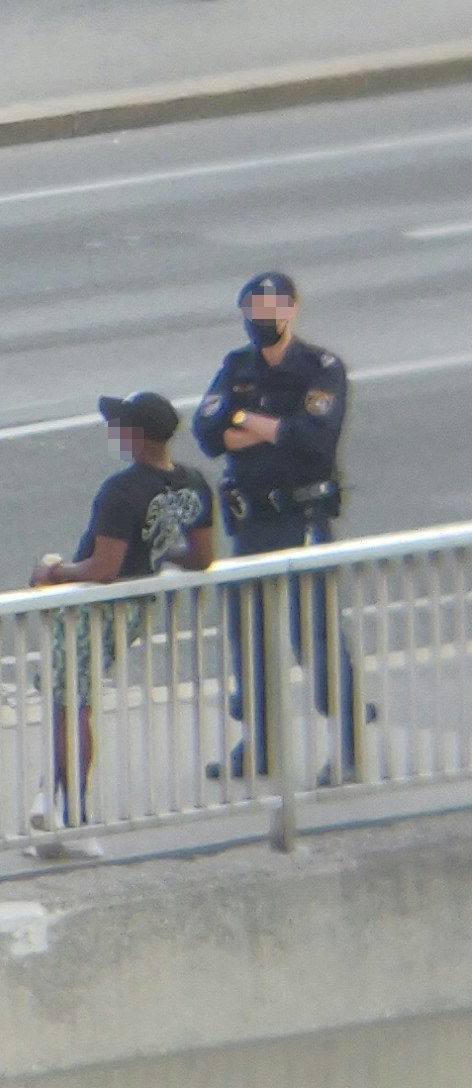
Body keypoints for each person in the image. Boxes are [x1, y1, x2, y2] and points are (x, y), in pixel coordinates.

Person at [192, 272, 369, 786]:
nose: (259, 320)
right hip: (253, 522)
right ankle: (261, 743)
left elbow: (312, 441)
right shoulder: (237, 366)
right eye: (251, 310)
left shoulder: (320, 368)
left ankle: (349, 747)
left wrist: (245, 422)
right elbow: (209, 433)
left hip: (302, 517)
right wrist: (268, 425)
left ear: (290, 311)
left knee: (313, 633)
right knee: (249, 634)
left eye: (269, 310)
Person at [28, 393, 216, 860]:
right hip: (137, 603)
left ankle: (72, 815)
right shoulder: (192, 484)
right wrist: (159, 555)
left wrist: (53, 573)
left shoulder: (121, 490)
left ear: (134, 435)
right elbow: (202, 556)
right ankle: (51, 801)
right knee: (72, 699)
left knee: (71, 705)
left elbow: (104, 565)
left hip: (98, 607)